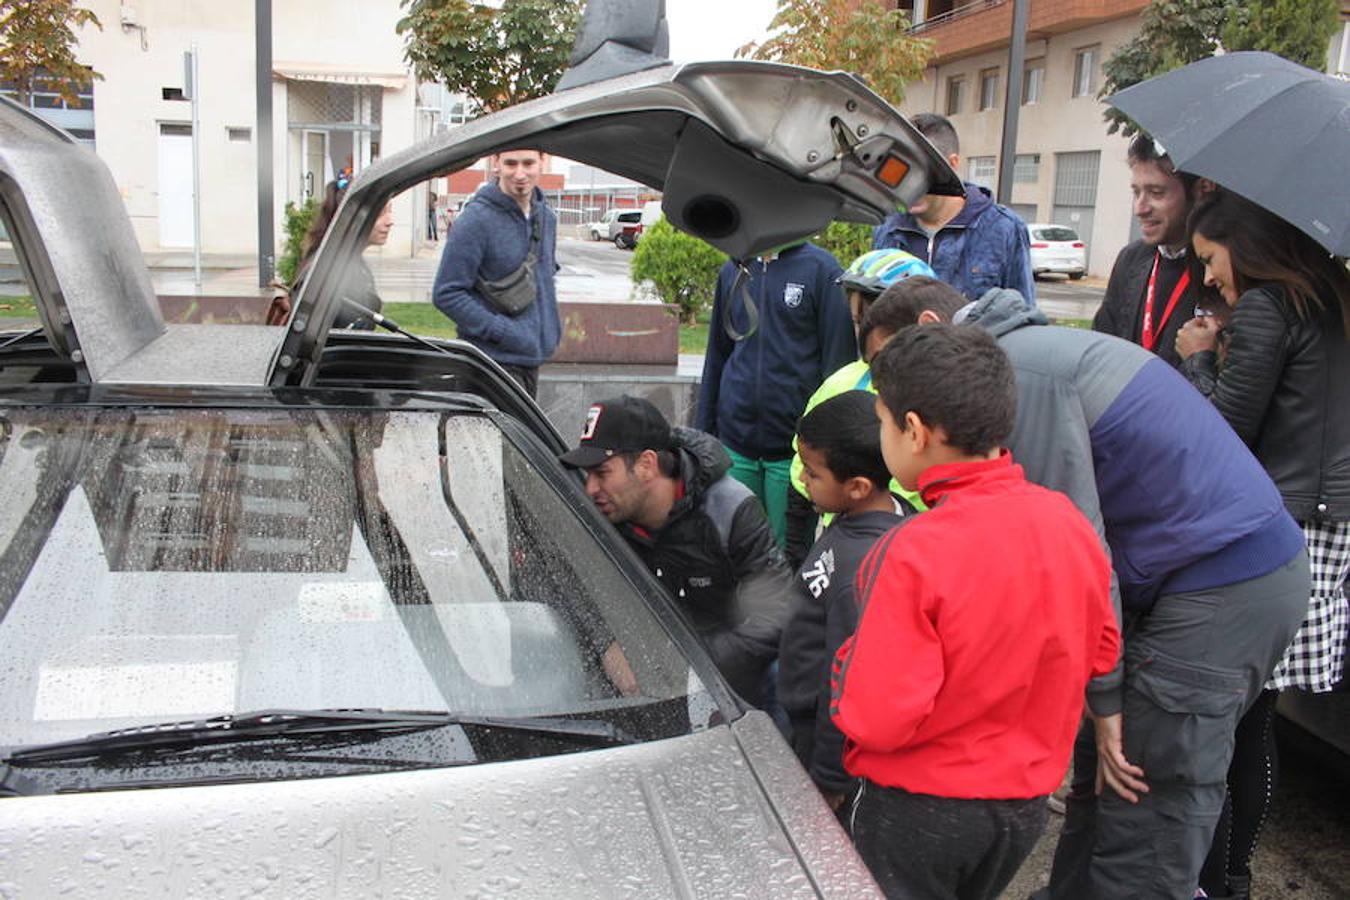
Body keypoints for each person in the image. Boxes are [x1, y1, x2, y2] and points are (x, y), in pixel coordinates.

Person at [881, 280, 1311, 900]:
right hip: (1188, 574)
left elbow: (1079, 559)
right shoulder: (1026, 355)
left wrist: (1104, 698)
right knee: (1102, 775)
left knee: (1146, 785)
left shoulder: (1021, 382)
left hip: (1223, 584)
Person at [830, 324, 1118, 900]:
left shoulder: (913, 548)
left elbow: (877, 715)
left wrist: (842, 671)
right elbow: (1102, 647)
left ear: (913, 431)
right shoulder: (1067, 522)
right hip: (1021, 809)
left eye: (883, 421)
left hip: (916, 809)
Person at [1174, 190, 1350, 900]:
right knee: (1260, 712)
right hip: (1330, 522)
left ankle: (1225, 879)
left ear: (1244, 247)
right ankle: (1233, 875)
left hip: (1279, 526)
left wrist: (1199, 357)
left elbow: (1223, 429)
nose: (1210, 277)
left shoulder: (1271, 309)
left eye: (1211, 259)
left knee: (1238, 717)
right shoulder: (1335, 299)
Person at [558, 395, 791, 704]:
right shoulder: (600, 515)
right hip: (642, 679)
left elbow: (777, 614)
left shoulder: (730, 508)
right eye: (588, 476)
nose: (590, 489)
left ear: (646, 465)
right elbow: (565, 582)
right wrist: (605, 643)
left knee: (779, 674)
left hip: (727, 678)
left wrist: (690, 666)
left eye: (601, 473)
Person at [777, 391, 909, 812]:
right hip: (804, 719)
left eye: (813, 474)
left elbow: (846, 681)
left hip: (828, 749)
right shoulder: (861, 518)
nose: (802, 479)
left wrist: (830, 780)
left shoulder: (861, 571)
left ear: (857, 487)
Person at [696, 241, 855, 550]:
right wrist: (704, 433)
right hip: (735, 442)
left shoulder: (822, 270)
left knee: (785, 556)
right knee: (734, 548)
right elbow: (717, 354)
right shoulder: (735, 267)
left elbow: (838, 365)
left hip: (794, 452)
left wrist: (829, 447)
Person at [782, 249, 936, 566]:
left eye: (876, 324)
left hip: (911, 546)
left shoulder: (937, 395)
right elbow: (802, 467)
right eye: (857, 321)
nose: (865, 333)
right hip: (840, 540)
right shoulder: (843, 381)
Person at [432, 148, 559, 398]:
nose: (520, 173)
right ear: (496, 164)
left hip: (531, 361)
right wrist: (502, 332)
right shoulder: (475, 221)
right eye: (511, 163)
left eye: (528, 163)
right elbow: (446, 293)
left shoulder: (546, 218)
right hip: (490, 366)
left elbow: (543, 280)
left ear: (543, 162)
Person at [871, 112, 1035, 304]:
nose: (908, 183)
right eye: (903, 168)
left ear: (952, 164)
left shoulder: (1003, 229)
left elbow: (1023, 314)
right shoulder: (887, 228)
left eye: (921, 170)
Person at [1092, 135, 1213, 368]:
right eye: (1136, 192)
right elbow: (1102, 345)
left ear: (1199, 191)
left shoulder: (1220, 270)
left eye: (1156, 193)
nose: (1140, 208)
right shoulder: (1131, 259)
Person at [282, 173, 395, 330]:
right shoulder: (331, 271)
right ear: (353, 217)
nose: (390, 221)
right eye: (381, 213)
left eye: (390, 211)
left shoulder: (347, 263)